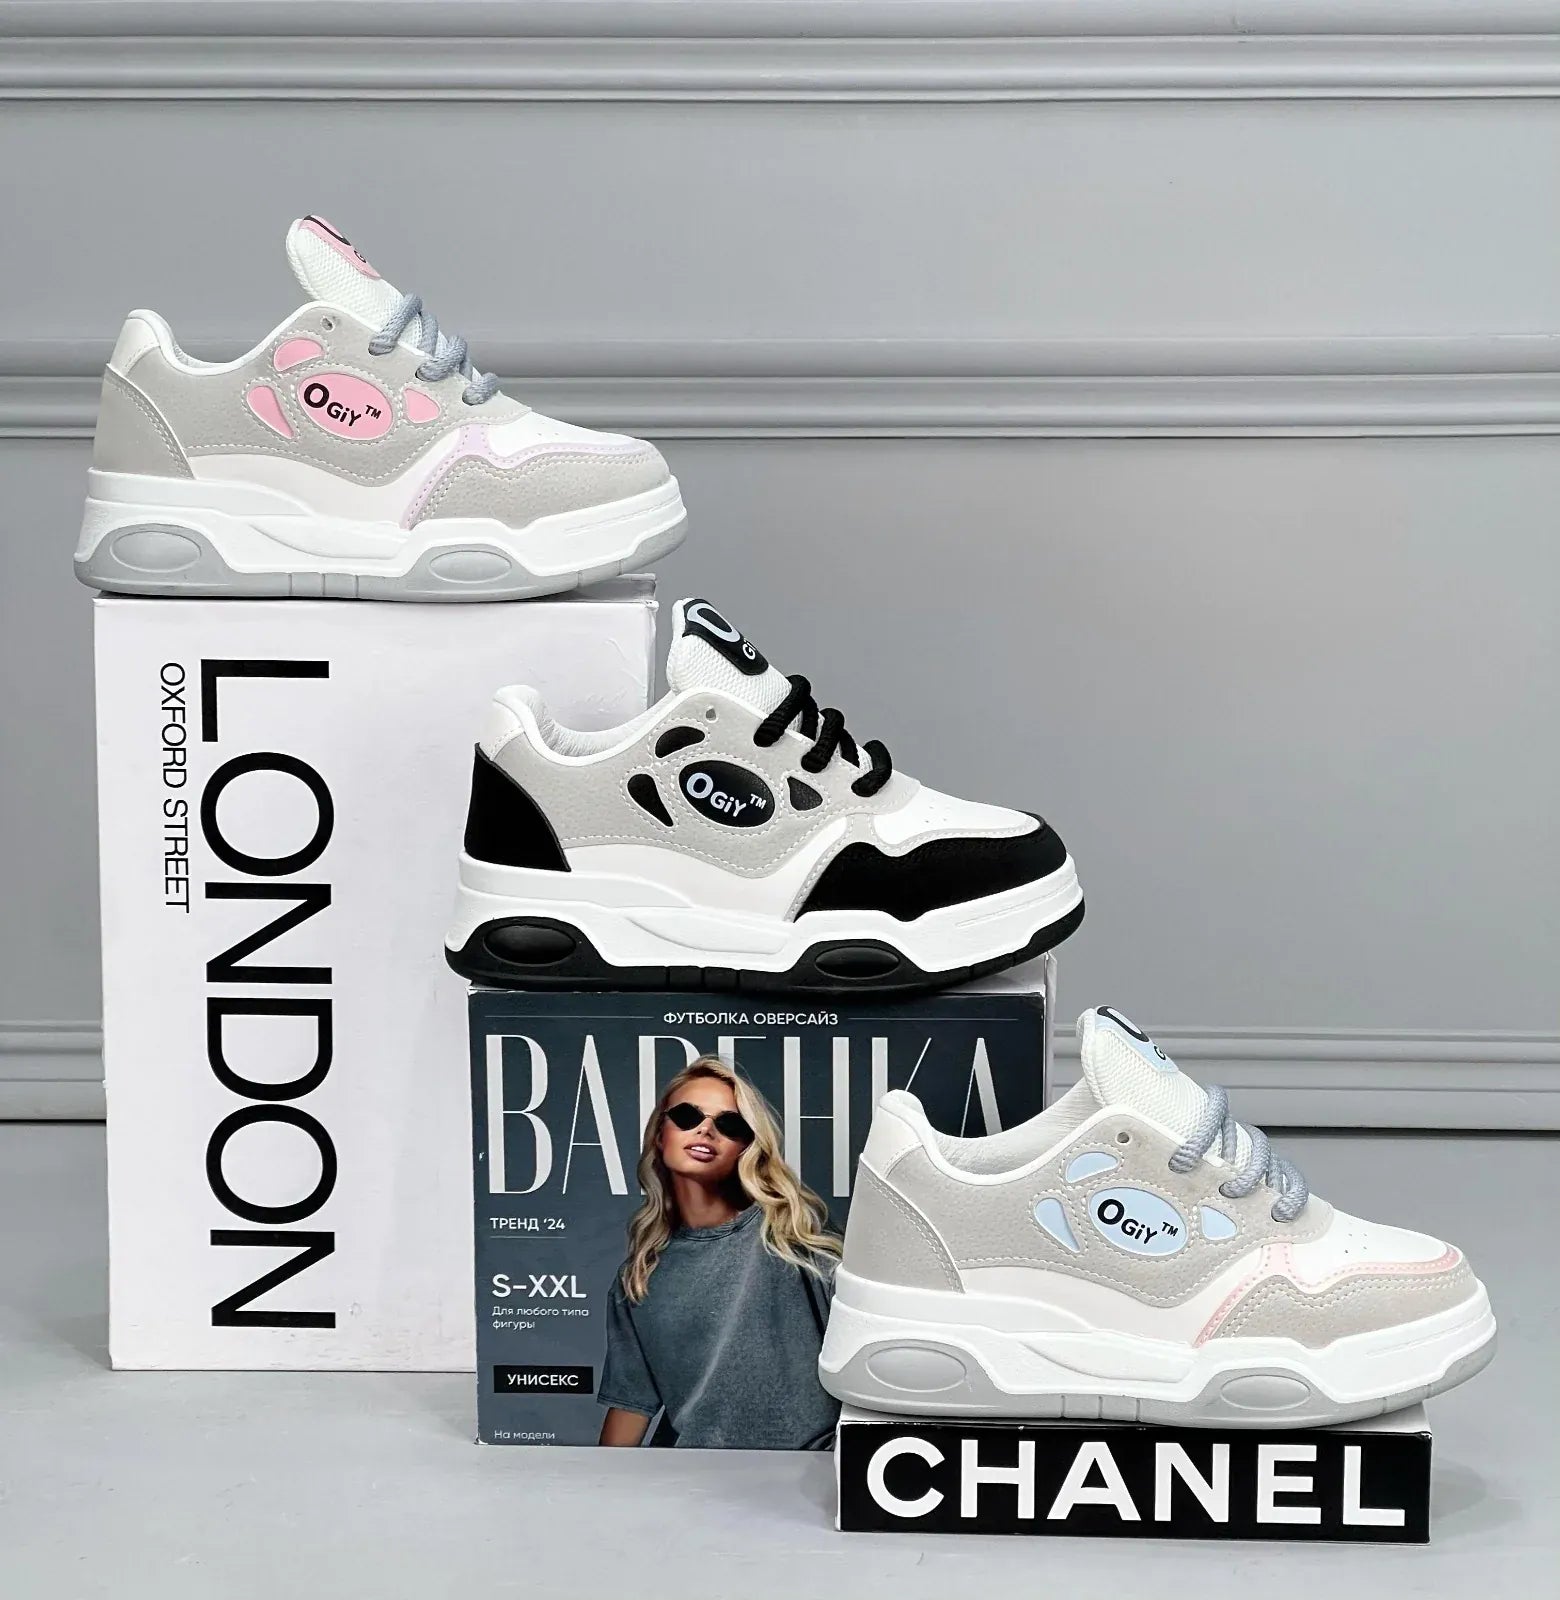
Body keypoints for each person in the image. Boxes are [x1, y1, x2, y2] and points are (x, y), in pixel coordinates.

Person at [597, 1057, 841, 1448]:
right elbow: (630, 1406)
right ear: (660, 1135)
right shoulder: (638, 1277)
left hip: (809, 1470)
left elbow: (872, 1352)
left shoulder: (793, 1233)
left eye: (730, 1124)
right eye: (687, 1116)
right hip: (696, 1474)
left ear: (746, 1147)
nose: (706, 1129)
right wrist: (598, 1482)